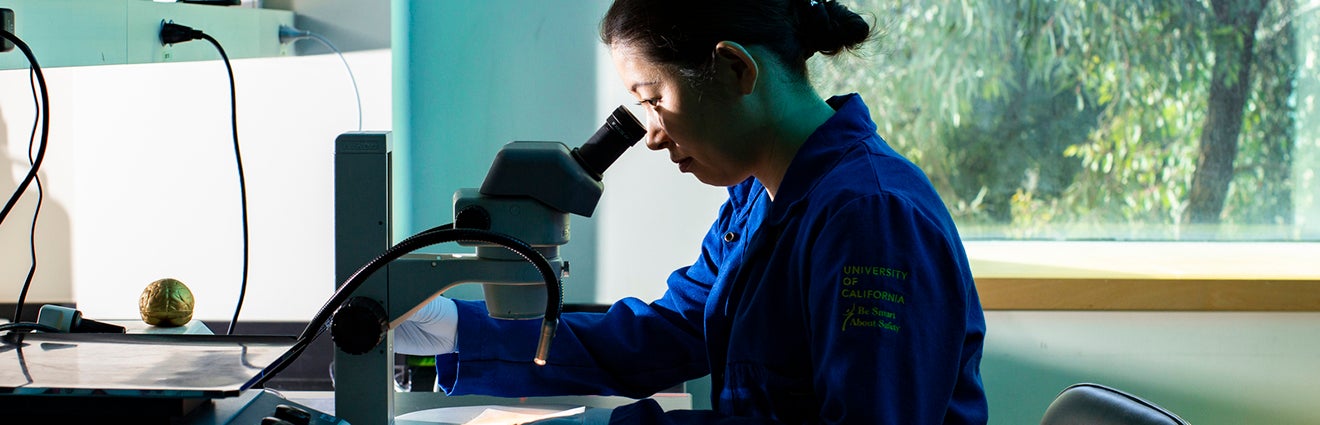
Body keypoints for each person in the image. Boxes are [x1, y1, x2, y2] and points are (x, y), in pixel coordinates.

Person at [395, 0, 988, 423]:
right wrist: (451, 327)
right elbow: (665, 336)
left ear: (736, 69)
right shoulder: (760, 200)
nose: (650, 135)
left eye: (653, 100)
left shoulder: (870, 217)